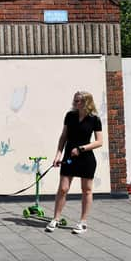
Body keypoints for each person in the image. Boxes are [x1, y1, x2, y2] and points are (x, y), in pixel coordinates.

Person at [46, 91, 103, 234]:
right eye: (74, 101)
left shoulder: (94, 119)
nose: (75, 103)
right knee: (63, 188)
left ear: (86, 102)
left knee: (87, 190)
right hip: (69, 157)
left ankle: (83, 222)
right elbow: (63, 137)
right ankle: (56, 219)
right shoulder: (70, 116)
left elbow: (99, 142)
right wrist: (58, 155)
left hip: (86, 158)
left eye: (78, 101)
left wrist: (81, 148)